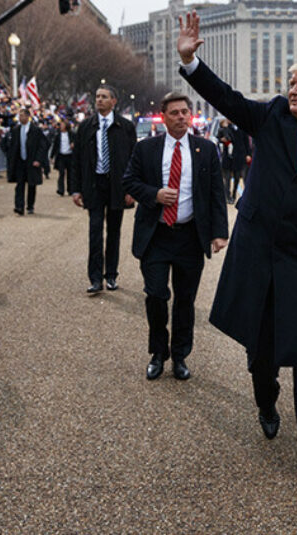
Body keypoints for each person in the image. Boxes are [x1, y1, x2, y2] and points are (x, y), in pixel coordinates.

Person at [177, 11, 297, 489]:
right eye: (291, 82)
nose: (293, 89)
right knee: (261, 348)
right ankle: (266, 400)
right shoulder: (270, 117)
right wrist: (191, 61)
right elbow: (226, 99)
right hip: (259, 253)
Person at [122, 91, 228, 382]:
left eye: (185, 112)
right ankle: (158, 352)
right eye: (175, 113)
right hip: (155, 235)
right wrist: (153, 194)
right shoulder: (147, 149)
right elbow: (129, 180)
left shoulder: (205, 149)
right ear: (164, 117)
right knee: (156, 295)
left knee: (185, 300)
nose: (181, 117)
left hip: (190, 237)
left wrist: (219, 232)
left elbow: (216, 193)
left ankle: (180, 355)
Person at [72, 85, 138, 292]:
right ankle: (94, 278)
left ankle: (111, 275)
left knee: (114, 232)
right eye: (97, 96)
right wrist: (75, 189)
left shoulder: (126, 127)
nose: (99, 100)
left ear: (114, 101)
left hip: (117, 185)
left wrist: (132, 190)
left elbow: (134, 161)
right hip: (94, 185)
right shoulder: (85, 127)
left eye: (104, 97)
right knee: (95, 231)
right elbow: (77, 161)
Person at [6, 108, 49, 215]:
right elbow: (10, 145)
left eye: (22, 116)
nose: (20, 118)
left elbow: (43, 145)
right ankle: (19, 206)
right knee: (19, 184)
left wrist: (38, 159)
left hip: (32, 161)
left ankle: (30, 205)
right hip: (20, 161)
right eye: (19, 116)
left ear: (27, 116)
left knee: (31, 184)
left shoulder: (36, 130)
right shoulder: (16, 130)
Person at [216, 117, 251, 204]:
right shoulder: (225, 128)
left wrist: (248, 154)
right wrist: (222, 140)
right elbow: (218, 138)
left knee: (237, 178)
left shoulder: (242, 128)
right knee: (227, 178)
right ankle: (227, 196)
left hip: (239, 156)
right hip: (228, 156)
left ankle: (234, 194)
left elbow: (246, 142)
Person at [51, 121, 75, 196]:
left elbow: (78, 142)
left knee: (70, 174)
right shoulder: (58, 135)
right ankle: (61, 189)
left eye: (62, 125)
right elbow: (55, 146)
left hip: (70, 155)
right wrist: (52, 156)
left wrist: (74, 145)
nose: (61, 126)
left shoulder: (72, 134)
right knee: (61, 173)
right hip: (61, 156)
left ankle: (70, 189)